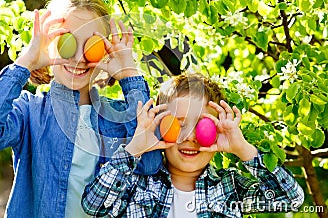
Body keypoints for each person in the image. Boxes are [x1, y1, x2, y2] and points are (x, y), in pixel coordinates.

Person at [0, 0, 163, 217]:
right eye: (66, 41)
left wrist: (129, 75)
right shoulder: (30, 111)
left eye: (91, 46)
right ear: (48, 42)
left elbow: (150, 163)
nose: (78, 57)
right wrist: (26, 62)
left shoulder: (118, 117)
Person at [82, 73, 304, 217]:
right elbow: (94, 204)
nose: (190, 137)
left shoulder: (230, 189)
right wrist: (135, 149)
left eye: (202, 125)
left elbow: (291, 199)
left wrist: (241, 148)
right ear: (161, 128)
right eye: (179, 125)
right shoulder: (136, 184)